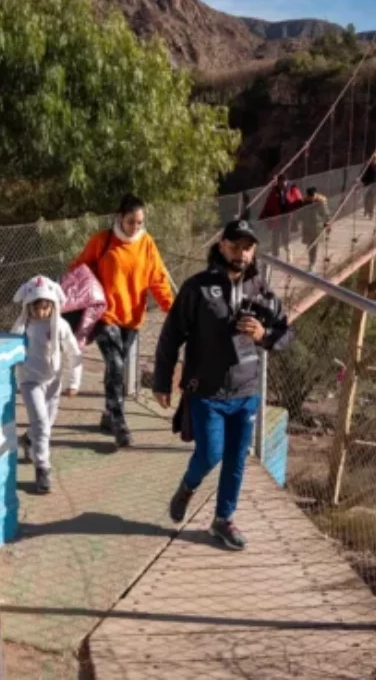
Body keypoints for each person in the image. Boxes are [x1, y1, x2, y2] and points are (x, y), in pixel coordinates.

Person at [153, 219, 292, 551]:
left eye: (247, 247)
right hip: (206, 390)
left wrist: (264, 336)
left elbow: (286, 332)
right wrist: (162, 380)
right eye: (234, 246)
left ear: (253, 251)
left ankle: (223, 520)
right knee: (210, 453)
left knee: (236, 458)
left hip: (246, 391)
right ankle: (188, 486)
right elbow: (171, 335)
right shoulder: (197, 288)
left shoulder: (261, 291)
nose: (241, 253)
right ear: (221, 246)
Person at [69, 194, 175, 447]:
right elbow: (78, 267)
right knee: (116, 364)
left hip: (132, 319)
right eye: (131, 222)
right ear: (119, 218)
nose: (135, 227)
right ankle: (119, 422)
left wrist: (173, 309)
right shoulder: (102, 241)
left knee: (115, 368)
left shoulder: (147, 244)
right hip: (105, 315)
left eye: (140, 222)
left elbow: (158, 279)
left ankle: (107, 414)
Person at [12, 276, 83, 495]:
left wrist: (73, 382)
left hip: (52, 381)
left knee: (46, 426)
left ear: (53, 306)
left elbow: (73, 353)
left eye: (45, 308)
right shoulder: (23, 328)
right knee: (42, 424)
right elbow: (10, 350)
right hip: (30, 380)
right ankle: (42, 468)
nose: (41, 313)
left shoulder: (60, 326)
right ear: (28, 306)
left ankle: (27, 440)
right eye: (37, 308)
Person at [258, 178, 304, 260]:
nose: (282, 186)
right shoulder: (274, 191)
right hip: (276, 219)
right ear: (278, 183)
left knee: (286, 237)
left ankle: (289, 254)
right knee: (275, 238)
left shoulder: (291, 189)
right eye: (280, 184)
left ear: (286, 182)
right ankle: (276, 257)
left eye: (283, 184)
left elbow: (297, 199)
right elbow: (269, 204)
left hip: (286, 218)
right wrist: (263, 215)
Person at [298, 186, 330, 271]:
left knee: (314, 246)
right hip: (307, 227)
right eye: (310, 196)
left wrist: (327, 223)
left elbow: (326, 214)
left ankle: (312, 263)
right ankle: (311, 262)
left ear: (315, 195)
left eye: (312, 195)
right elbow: (301, 214)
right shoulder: (304, 202)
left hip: (317, 227)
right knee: (309, 246)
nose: (311, 197)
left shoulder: (320, 202)